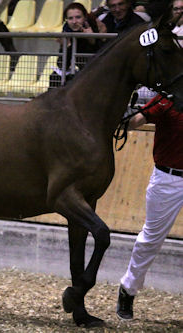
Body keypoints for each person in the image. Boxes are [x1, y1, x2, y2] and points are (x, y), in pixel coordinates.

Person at [117, 2, 183, 320]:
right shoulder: (168, 97)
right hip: (169, 179)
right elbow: (139, 120)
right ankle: (128, 289)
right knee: (150, 239)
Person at [49, 2, 101, 87]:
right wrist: (68, 46)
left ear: (85, 18)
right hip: (80, 72)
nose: (74, 22)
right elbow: (62, 66)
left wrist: (92, 40)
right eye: (70, 18)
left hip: (96, 72)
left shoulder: (95, 28)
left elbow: (98, 61)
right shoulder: (67, 32)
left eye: (78, 17)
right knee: (55, 77)